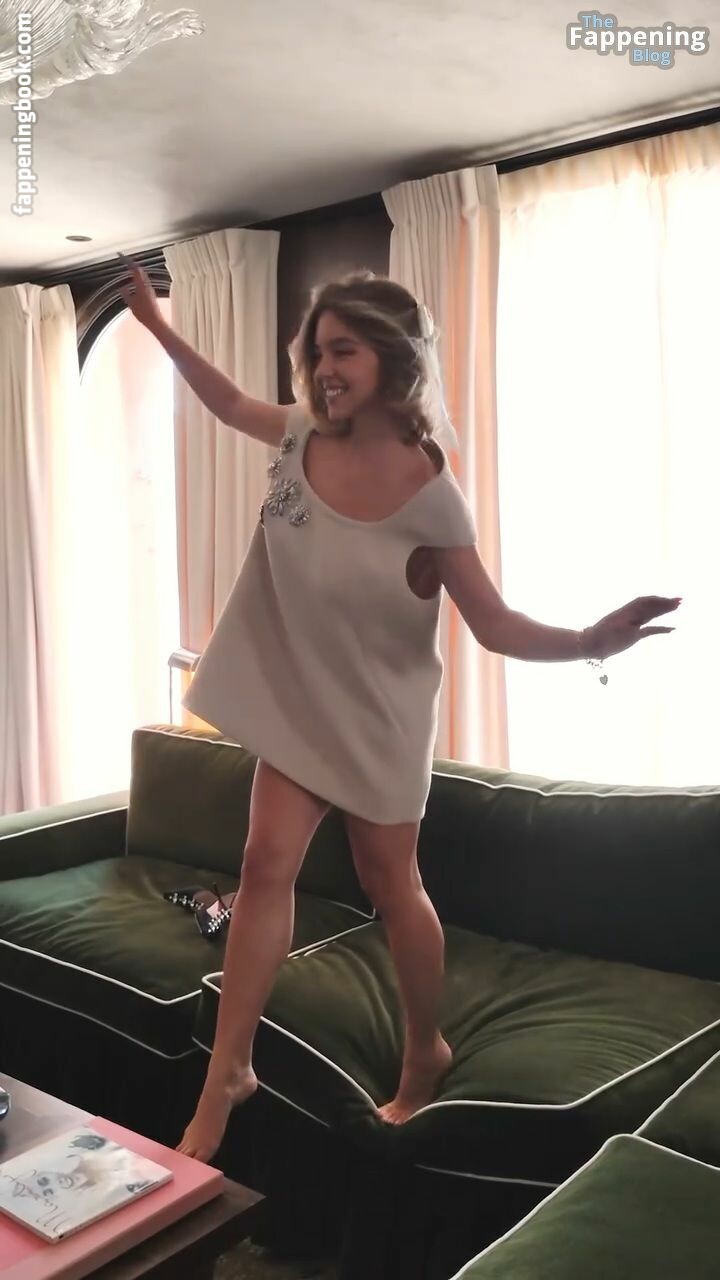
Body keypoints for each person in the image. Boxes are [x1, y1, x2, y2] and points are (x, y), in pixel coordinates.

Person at [119, 259, 681, 1162]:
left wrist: (591, 639)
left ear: (391, 356)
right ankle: (226, 1073)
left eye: (343, 349)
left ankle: (426, 1049)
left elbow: (493, 625)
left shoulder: (431, 493)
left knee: (393, 886)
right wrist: (154, 325)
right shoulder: (301, 434)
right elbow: (226, 403)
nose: (323, 367)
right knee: (263, 865)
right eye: (316, 351)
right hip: (299, 700)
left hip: (380, 718)